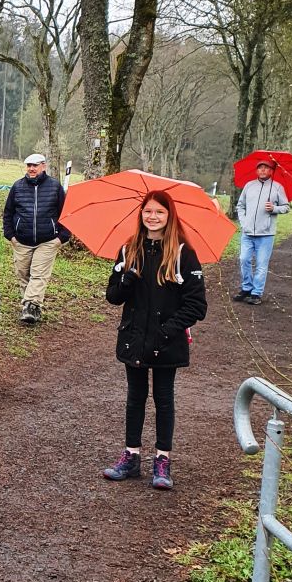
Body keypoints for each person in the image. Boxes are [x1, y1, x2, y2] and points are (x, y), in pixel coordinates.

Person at [103, 191, 208, 490]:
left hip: (166, 341)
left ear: (169, 216)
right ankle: (131, 456)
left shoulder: (183, 254)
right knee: (135, 397)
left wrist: (167, 330)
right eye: (148, 211)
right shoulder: (128, 250)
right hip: (134, 338)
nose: (152, 217)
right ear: (141, 214)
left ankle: (162, 459)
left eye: (159, 212)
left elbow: (197, 305)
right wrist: (127, 280)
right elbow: (113, 297)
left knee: (164, 398)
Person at [1, 153, 71, 324]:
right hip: (21, 240)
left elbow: (66, 213)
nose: (31, 169)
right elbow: (8, 212)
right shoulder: (17, 187)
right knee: (23, 274)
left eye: (35, 165)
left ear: (43, 166)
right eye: (29, 166)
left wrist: (62, 237)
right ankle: (34, 306)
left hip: (47, 240)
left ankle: (30, 306)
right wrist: (10, 235)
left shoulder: (54, 187)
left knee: (39, 275)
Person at [233, 161, 290, 305]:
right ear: (257, 171)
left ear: (271, 171)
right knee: (244, 259)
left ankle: (256, 293)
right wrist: (244, 222)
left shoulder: (277, 187)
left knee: (261, 264)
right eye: (260, 168)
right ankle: (246, 288)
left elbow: (286, 207)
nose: (263, 170)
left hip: (266, 234)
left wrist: (274, 208)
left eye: (266, 168)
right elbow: (240, 206)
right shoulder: (249, 186)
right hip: (247, 232)